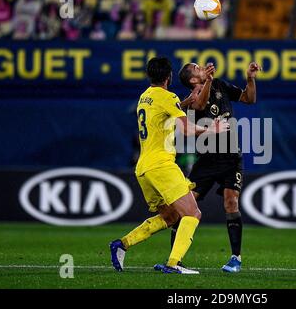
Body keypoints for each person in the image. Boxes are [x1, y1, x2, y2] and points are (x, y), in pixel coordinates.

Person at [109, 57, 228, 274]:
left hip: (143, 168)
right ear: (169, 77)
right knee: (193, 213)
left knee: (170, 217)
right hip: (161, 165)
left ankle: (122, 244)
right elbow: (188, 130)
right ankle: (173, 264)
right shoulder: (168, 96)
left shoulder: (144, 97)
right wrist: (213, 129)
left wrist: (184, 103)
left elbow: (161, 117)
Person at [155, 61, 260, 273]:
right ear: (193, 79)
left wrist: (250, 79)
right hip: (207, 161)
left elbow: (249, 99)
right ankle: (175, 260)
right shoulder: (192, 98)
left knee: (231, 203)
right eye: (197, 67)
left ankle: (235, 258)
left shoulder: (220, 85)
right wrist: (209, 81)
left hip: (231, 158)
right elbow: (200, 105)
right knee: (184, 208)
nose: (202, 67)